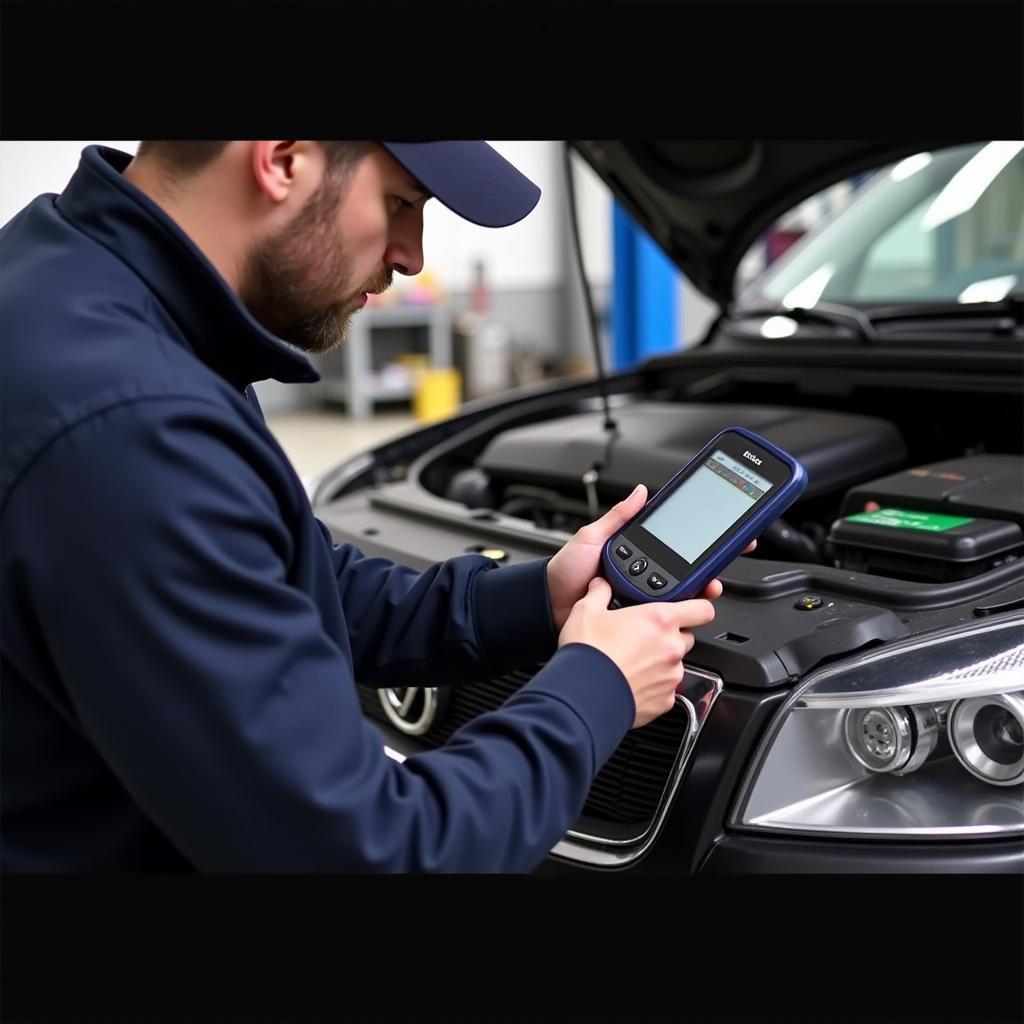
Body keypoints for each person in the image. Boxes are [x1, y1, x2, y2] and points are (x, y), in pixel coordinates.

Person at [0, 141, 729, 872]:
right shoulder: (133, 426)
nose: (412, 256)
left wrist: (537, 597)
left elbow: (289, 580)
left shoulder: (70, 280)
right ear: (284, 158)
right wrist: (596, 688)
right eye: (402, 203)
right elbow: (372, 853)